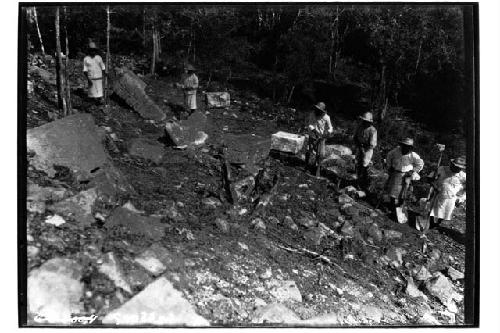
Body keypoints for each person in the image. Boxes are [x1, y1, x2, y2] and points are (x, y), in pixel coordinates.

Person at [385, 138, 424, 212]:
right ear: (402, 145)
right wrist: (389, 166)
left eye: (407, 146)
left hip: (406, 175)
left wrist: (412, 171)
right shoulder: (396, 151)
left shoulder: (413, 155)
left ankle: (400, 206)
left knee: (404, 192)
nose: (405, 147)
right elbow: (389, 156)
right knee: (393, 190)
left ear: (410, 147)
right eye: (404, 145)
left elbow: (420, 164)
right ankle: (392, 206)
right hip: (396, 173)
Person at [428, 156, 466, 229]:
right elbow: (429, 178)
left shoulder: (463, 176)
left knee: (444, 213)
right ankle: (429, 224)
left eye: (459, 168)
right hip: (438, 194)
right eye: (455, 166)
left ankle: (435, 224)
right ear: (451, 164)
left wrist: (461, 198)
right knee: (433, 211)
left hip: (451, 198)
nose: (457, 169)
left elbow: (466, 189)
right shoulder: (442, 169)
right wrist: (435, 186)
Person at [304, 102, 333, 173]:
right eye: (317, 109)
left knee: (320, 154)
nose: (317, 110)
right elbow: (310, 125)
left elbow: (330, 127)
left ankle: (317, 168)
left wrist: (328, 132)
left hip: (321, 138)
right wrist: (314, 132)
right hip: (312, 135)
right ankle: (306, 166)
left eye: (319, 110)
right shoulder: (312, 114)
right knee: (309, 151)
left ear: (322, 111)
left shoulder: (326, 117)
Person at [353, 111, 377, 191]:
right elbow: (355, 137)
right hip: (359, 147)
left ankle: (363, 183)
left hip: (368, 150)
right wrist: (359, 146)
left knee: (364, 165)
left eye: (366, 121)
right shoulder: (359, 126)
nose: (364, 122)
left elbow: (372, 144)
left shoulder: (372, 130)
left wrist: (364, 149)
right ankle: (357, 181)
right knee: (357, 164)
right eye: (364, 121)